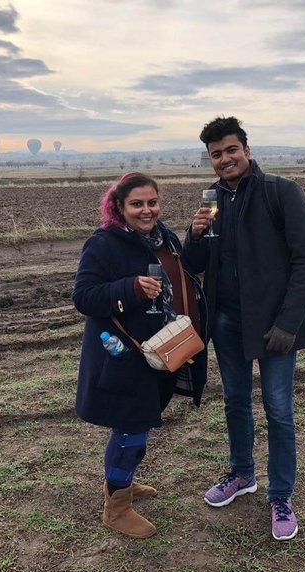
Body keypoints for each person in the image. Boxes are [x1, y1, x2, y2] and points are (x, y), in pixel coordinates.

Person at [182, 116, 305, 541]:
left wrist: (288, 324)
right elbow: (193, 266)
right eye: (216, 155)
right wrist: (193, 234)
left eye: (230, 150)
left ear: (246, 149)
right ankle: (242, 474)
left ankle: (281, 495)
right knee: (235, 401)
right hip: (225, 323)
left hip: (275, 327)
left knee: (279, 411)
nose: (224, 159)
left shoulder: (280, 192)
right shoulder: (212, 201)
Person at [73, 172, 208, 539]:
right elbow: (83, 297)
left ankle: (122, 484)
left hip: (162, 350)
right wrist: (129, 289)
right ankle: (116, 509)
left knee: (137, 423)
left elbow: (187, 275)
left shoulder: (165, 238)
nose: (146, 210)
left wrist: (196, 238)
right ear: (119, 207)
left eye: (152, 203)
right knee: (132, 431)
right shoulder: (103, 244)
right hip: (125, 357)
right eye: (137, 204)